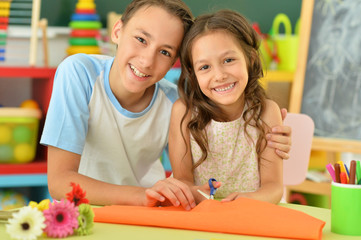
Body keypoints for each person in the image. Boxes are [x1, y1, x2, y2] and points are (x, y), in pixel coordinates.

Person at [41, 0, 290, 209]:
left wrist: (271, 126)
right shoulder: (79, 73)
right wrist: (143, 195)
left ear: (176, 63)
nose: (147, 60)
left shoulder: (175, 102)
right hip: (87, 211)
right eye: (140, 39)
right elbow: (60, 182)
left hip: (151, 214)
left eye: (165, 52)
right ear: (117, 31)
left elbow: (220, 128)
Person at [169, 9, 284, 205]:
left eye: (228, 60)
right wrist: (195, 193)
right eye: (205, 67)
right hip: (200, 215)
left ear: (251, 59)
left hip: (250, 214)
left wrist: (248, 200)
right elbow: (183, 181)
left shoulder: (267, 112)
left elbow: (273, 187)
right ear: (192, 73)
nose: (219, 75)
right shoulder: (184, 112)